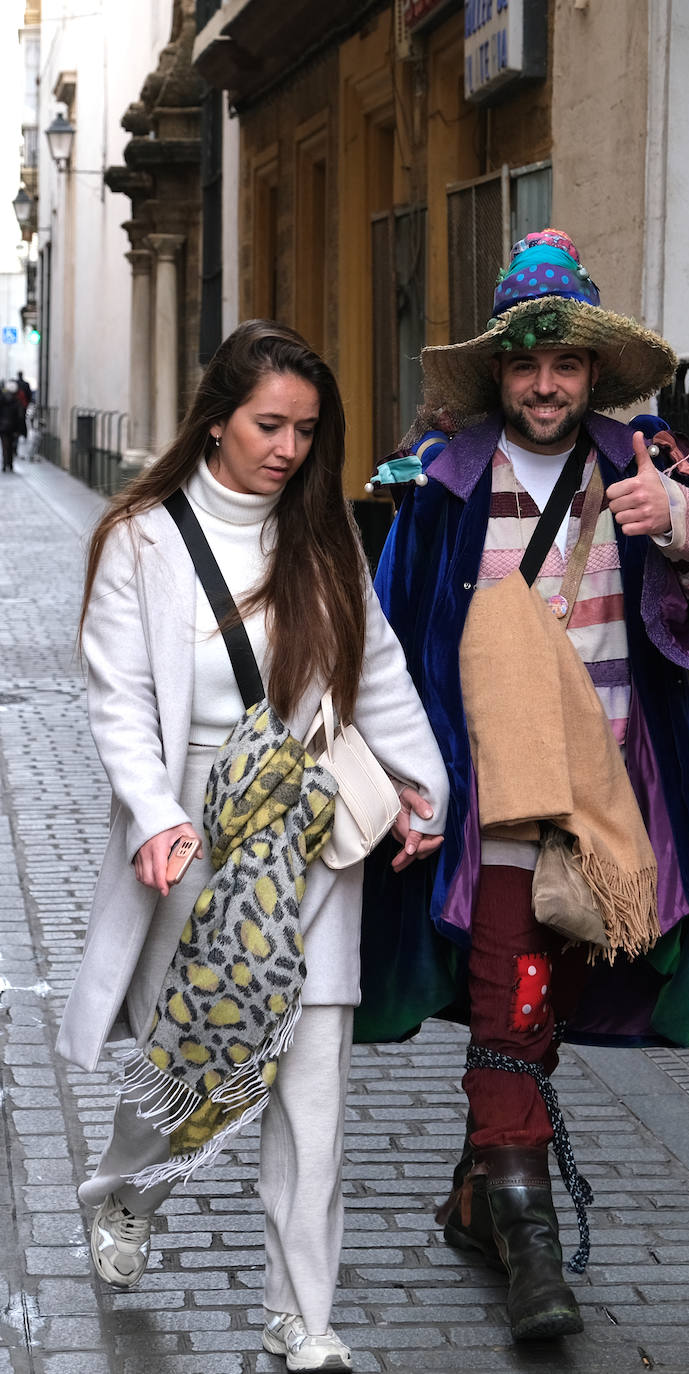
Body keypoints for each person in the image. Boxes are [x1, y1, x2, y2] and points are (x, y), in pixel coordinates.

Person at [360, 229, 689, 1342]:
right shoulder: (439, 483)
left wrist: (680, 529)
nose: (545, 384)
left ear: (591, 373)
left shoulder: (643, 464)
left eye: (566, 364)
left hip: (615, 802)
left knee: (552, 994)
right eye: (527, 363)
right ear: (501, 371)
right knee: (510, 996)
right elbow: (388, 640)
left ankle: (480, 1190)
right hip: (490, 802)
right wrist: (400, 776)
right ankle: (532, 1246)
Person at [56, 319, 449, 1373]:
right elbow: (119, 698)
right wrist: (153, 815)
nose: (287, 448)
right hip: (194, 838)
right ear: (217, 420)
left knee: (311, 1088)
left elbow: (379, 678)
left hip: (311, 837)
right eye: (269, 425)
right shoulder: (142, 536)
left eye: (306, 430)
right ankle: (125, 1191)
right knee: (202, 1061)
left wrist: (424, 786)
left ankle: (300, 1316)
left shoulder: (324, 538)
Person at [0, 380, 26, 471]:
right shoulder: (17, 401)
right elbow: (20, 417)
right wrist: (21, 430)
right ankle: (10, 464)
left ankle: (4, 463)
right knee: (11, 445)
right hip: (13, 427)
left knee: (4, 445)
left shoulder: (2, 400)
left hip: (3, 427)